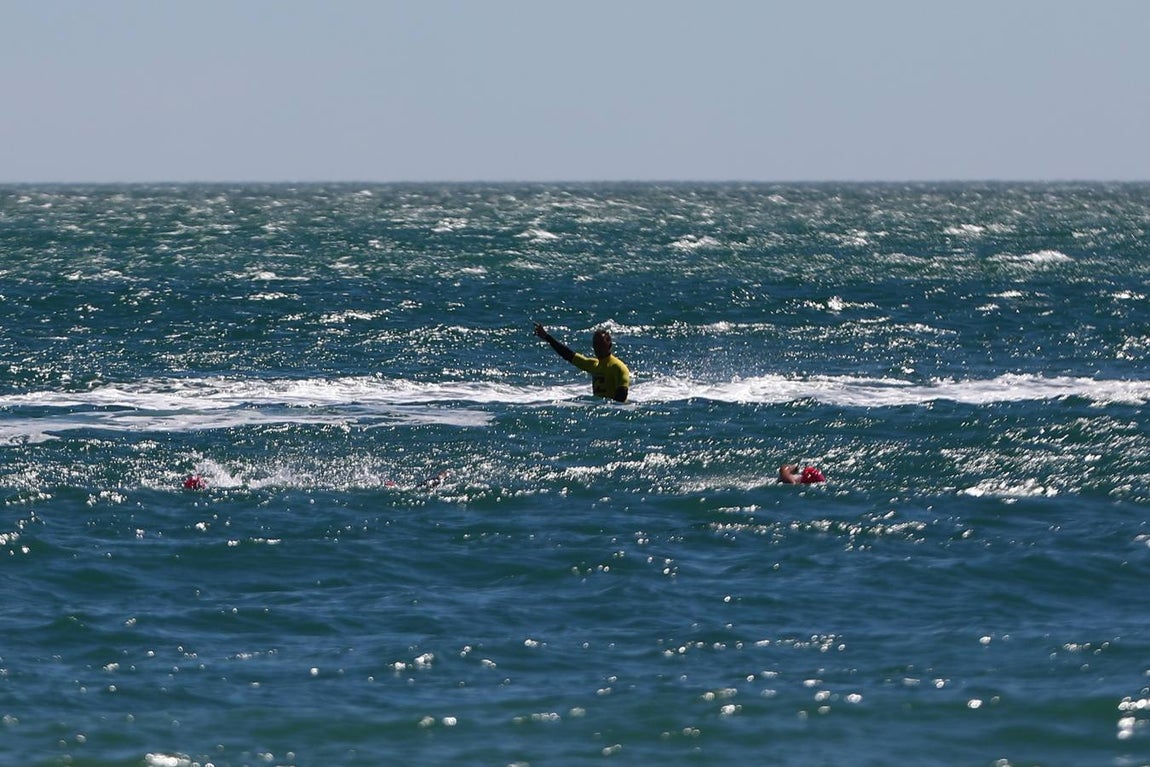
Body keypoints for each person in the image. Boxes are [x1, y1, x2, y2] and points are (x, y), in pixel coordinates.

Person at [534, 323, 630, 403]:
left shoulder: (618, 367)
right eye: (595, 344)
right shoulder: (593, 365)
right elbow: (568, 355)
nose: (597, 347)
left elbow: (621, 398)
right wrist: (547, 337)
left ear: (609, 344)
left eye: (600, 343)